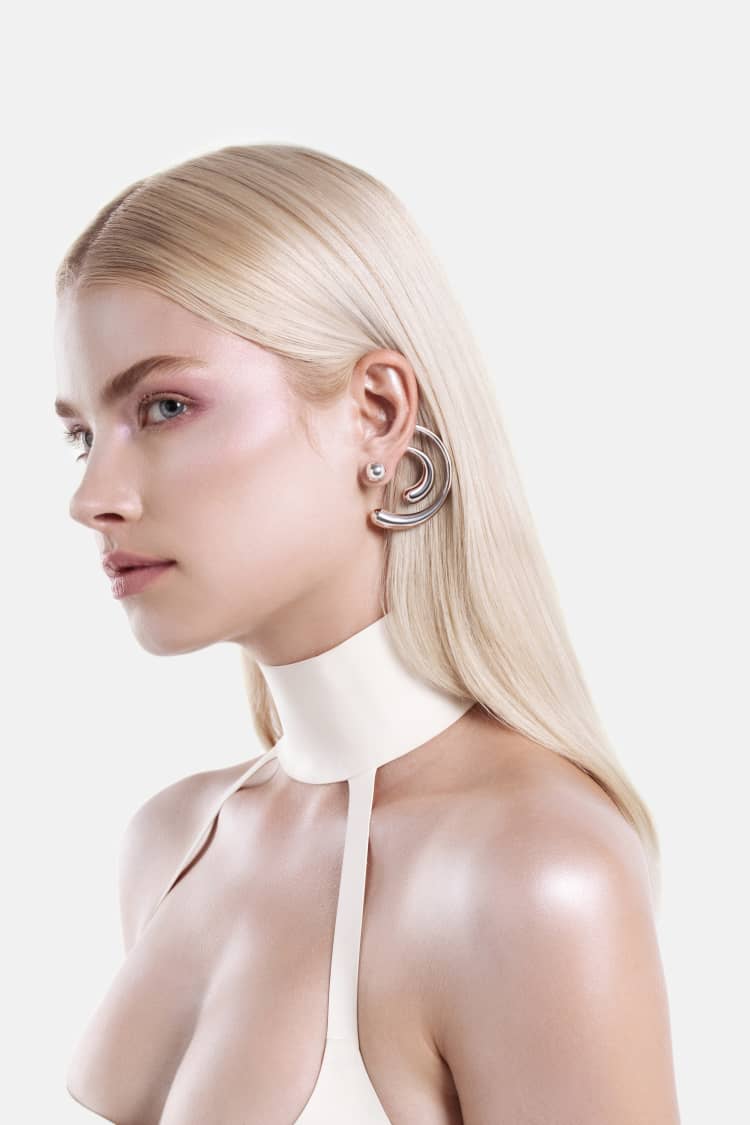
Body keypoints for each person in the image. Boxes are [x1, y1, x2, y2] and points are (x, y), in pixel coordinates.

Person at [54, 143, 681, 1123]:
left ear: (377, 413)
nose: (93, 496)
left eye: (165, 407)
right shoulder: (174, 843)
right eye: (82, 435)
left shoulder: (531, 872)